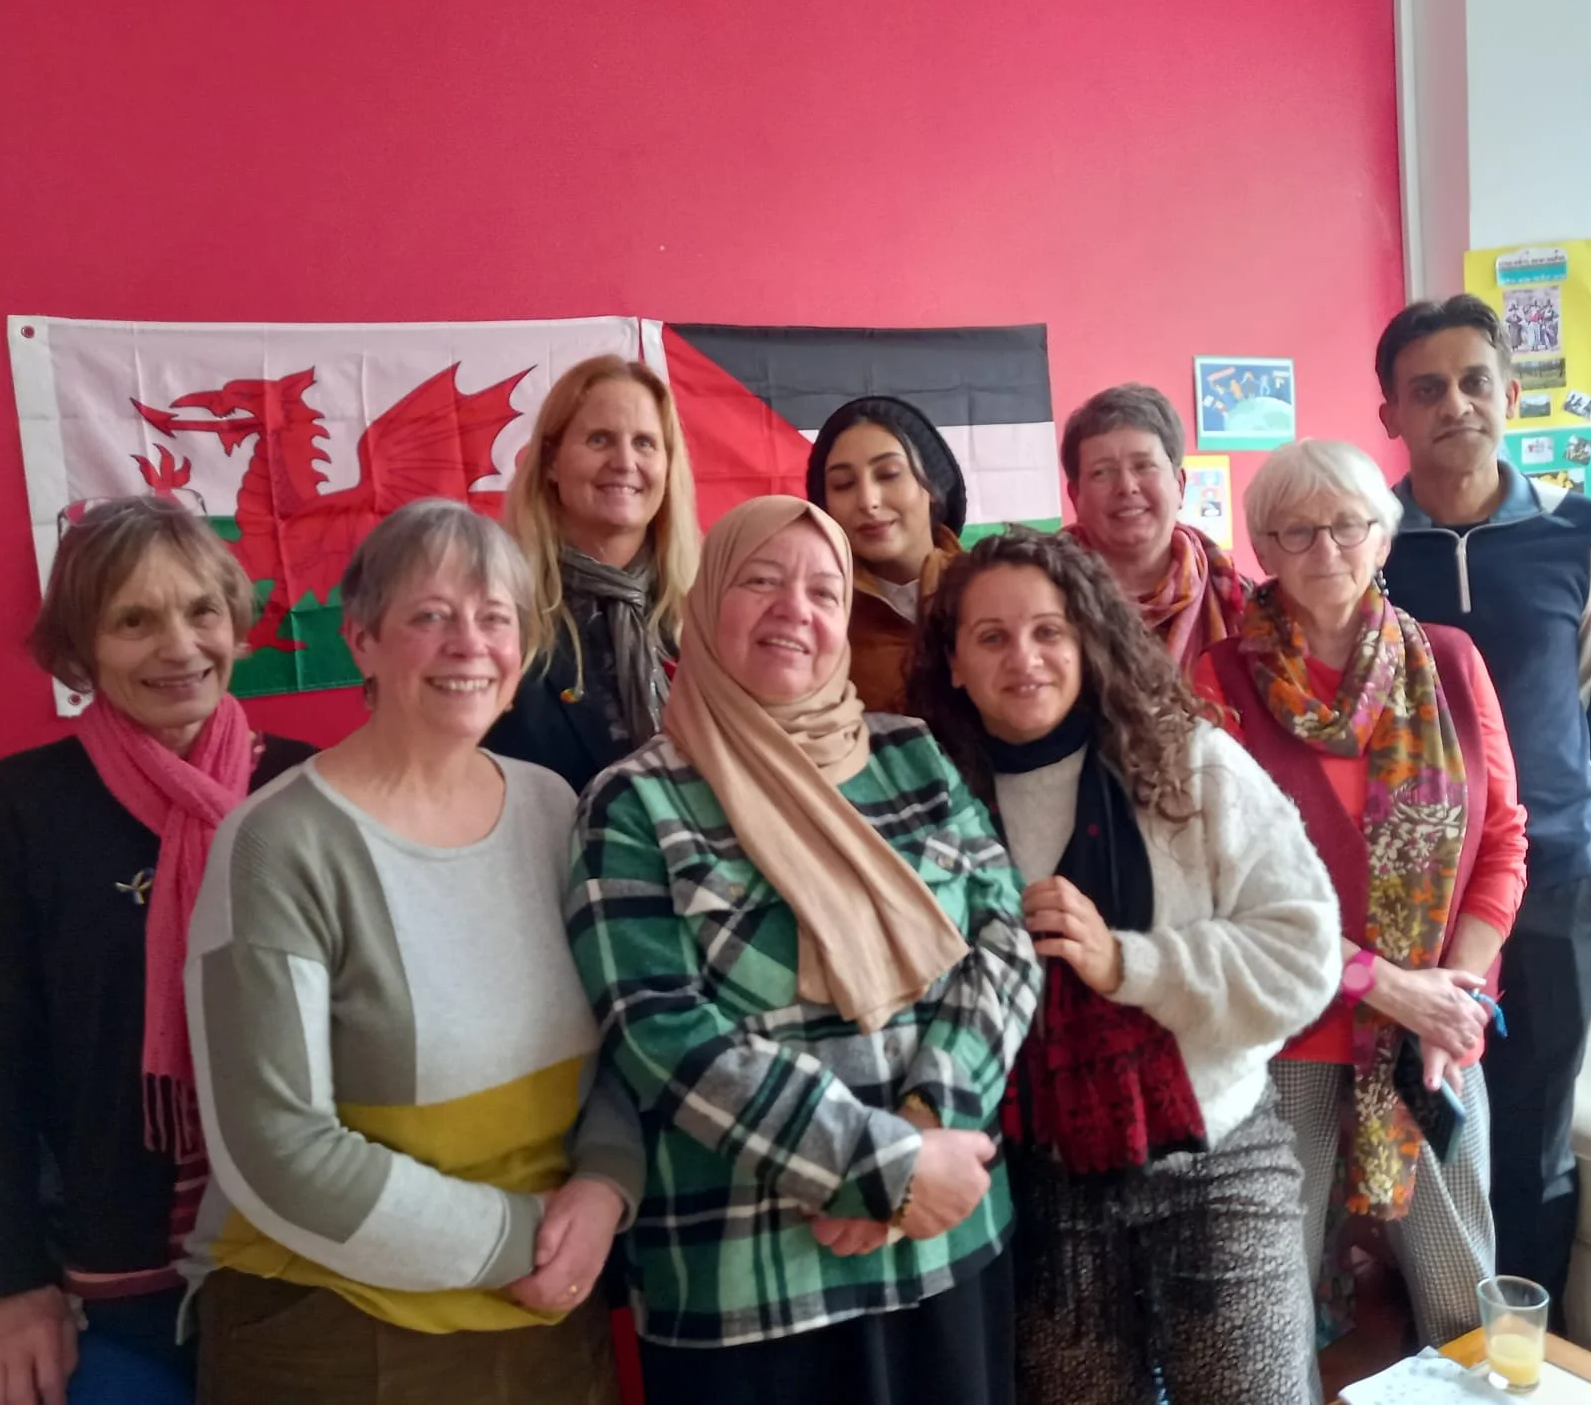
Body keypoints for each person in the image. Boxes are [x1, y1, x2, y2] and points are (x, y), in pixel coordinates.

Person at [564, 497, 1042, 1405]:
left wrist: (927, 1131)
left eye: (825, 590)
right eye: (760, 581)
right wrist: (876, 1169)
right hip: (751, 1282)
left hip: (944, 1240)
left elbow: (1003, 945)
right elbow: (662, 1034)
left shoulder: (913, 758)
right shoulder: (633, 804)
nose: (797, 609)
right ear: (705, 606)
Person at [184, 499, 642, 1405]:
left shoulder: (557, 809)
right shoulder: (278, 845)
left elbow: (624, 1033)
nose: (467, 643)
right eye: (430, 615)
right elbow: (277, 1148)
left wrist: (605, 1187)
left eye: (495, 617)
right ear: (362, 642)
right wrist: (528, 1241)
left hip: (549, 1312)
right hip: (336, 1324)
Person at [911, 528, 1339, 1405]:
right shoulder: (931, 803)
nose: (1023, 657)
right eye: (991, 637)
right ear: (953, 663)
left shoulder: (1189, 763)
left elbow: (1305, 957)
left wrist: (1128, 962)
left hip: (1214, 1159)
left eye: (1049, 631)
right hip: (1037, 1186)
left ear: (1087, 639)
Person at [0, 495, 313, 1405]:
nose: (179, 647)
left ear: (235, 623)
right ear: (81, 649)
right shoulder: (17, 808)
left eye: (201, 612)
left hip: (306, 1247)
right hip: (116, 1264)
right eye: (134, 620)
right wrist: (12, 1285)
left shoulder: (311, 785)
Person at [1207, 440, 1529, 1349]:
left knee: (1458, 1276)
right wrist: (1379, 984)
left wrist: (1450, 999)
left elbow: (1504, 840)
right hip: (1289, 1033)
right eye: (1297, 532)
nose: (1326, 550)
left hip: (1432, 1031)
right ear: (1263, 550)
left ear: (1383, 539)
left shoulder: (1454, 666)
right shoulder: (1218, 685)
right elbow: (1224, 889)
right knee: (1274, 1289)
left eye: (1348, 526)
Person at [1375, 295, 1591, 1312]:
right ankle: (1430, 1332)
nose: (1455, 404)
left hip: (1552, 889)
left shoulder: (1585, 533)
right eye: (1425, 388)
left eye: (1474, 380)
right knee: (1418, 1117)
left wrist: (1561, 817)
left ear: (1510, 392)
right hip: (1412, 902)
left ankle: (1532, 1344)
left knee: (1533, 1131)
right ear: (1391, 412)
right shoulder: (1364, 543)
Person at [487, 354, 700, 792]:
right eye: (600, 439)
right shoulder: (496, 617)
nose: (625, 462)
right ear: (550, 462)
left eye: (645, 442)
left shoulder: (706, 615)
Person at [1059, 383, 1250, 698]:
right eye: (1102, 473)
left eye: (1143, 466)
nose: (1126, 486)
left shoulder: (1241, 604)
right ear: (1075, 496)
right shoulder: (1036, 596)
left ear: (1180, 485)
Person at [806, 394, 967, 713]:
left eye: (889, 474)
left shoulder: (989, 590)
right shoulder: (814, 616)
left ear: (933, 488)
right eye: (843, 484)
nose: (868, 501)